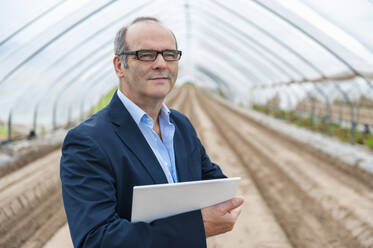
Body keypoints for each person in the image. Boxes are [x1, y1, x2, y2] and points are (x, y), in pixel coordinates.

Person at [60, 16, 244, 248]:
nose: (161, 64)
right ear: (119, 66)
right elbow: (96, 240)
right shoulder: (88, 142)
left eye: (169, 54)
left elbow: (214, 183)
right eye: (146, 54)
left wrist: (224, 198)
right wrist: (198, 226)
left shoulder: (181, 126)